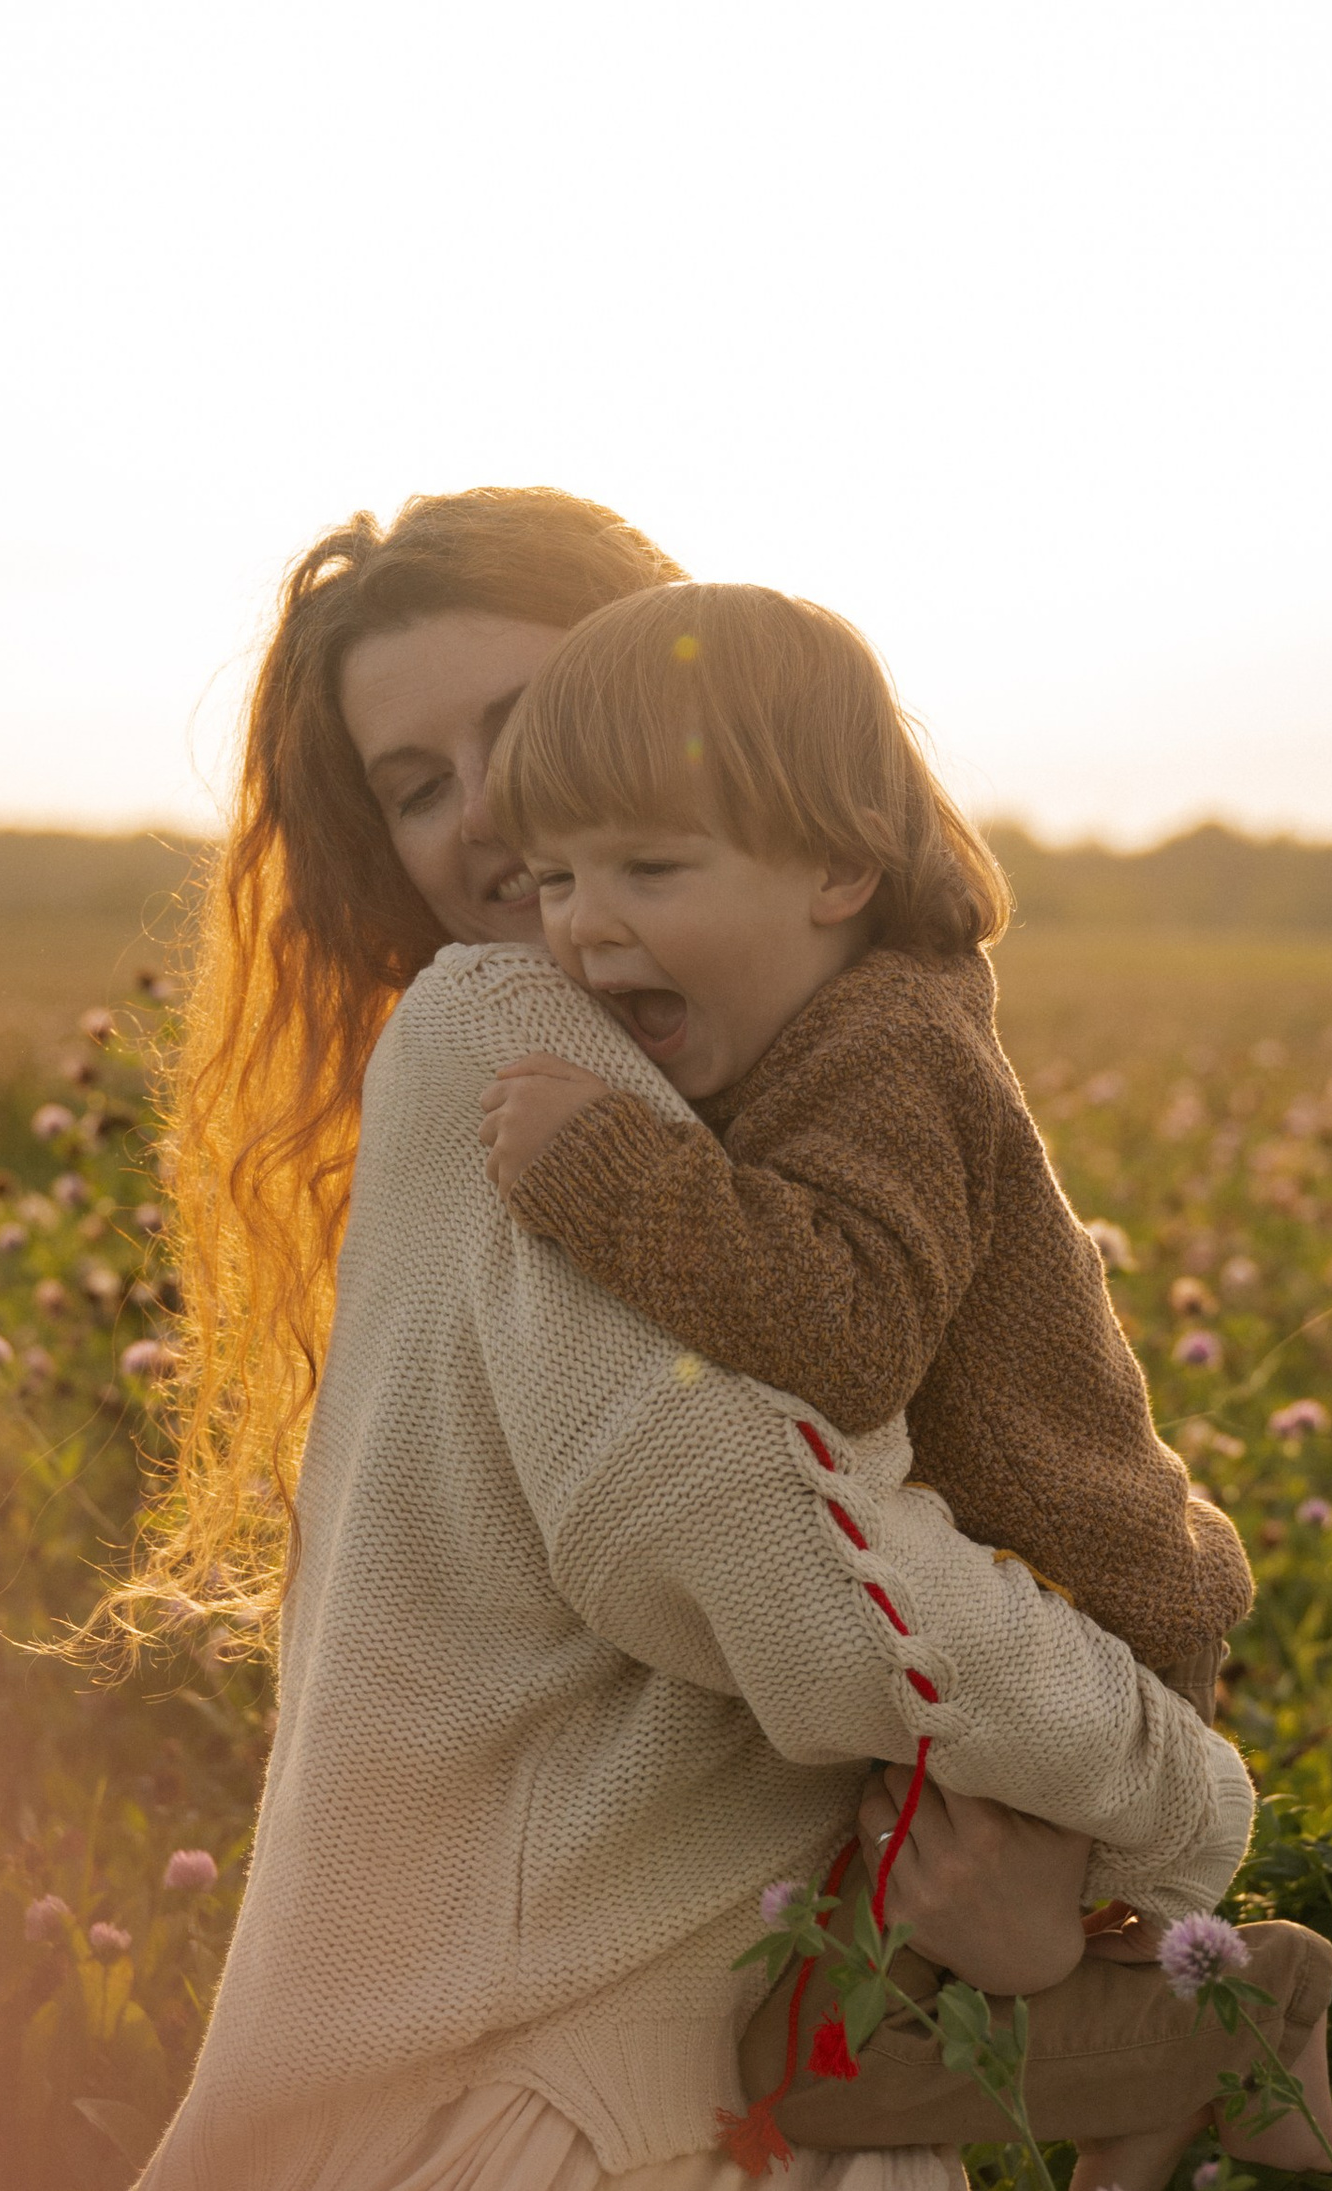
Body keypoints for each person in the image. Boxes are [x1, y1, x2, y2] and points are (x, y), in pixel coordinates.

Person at [119, 492, 1262, 2191]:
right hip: (588, 2104)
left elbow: (822, 1467)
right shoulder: (517, 1037)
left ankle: (1193, 2048)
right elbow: (780, 1558)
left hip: (658, 2073)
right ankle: (1216, 2047)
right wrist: (1183, 1803)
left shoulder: (771, 1059)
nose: (497, 820)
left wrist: (1029, 1883)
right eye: (417, 787)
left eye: (529, 727)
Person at [475, 577, 1327, 2187]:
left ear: (840, 869)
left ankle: (1262, 2023)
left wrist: (600, 1171)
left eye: (650, 868)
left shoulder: (887, 1052)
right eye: (557, 875)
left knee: (826, 2066)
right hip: (1005, 1610)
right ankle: (1210, 2082)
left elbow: (845, 1321)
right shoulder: (820, 1027)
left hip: (1069, 1609)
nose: (585, 922)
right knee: (868, 2036)